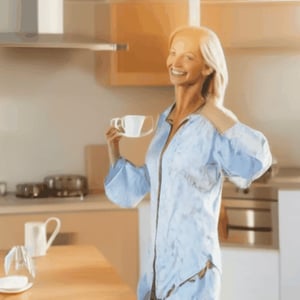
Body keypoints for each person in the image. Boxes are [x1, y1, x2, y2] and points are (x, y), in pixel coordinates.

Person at [104, 26, 272, 300]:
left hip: (194, 272)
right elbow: (136, 189)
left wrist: (212, 107)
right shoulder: (165, 119)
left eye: (188, 56)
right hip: (157, 271)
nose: (175, 62)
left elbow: (257, 161)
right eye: (173, 53)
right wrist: (114, 148)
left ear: (208, 67)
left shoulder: (213, 124)